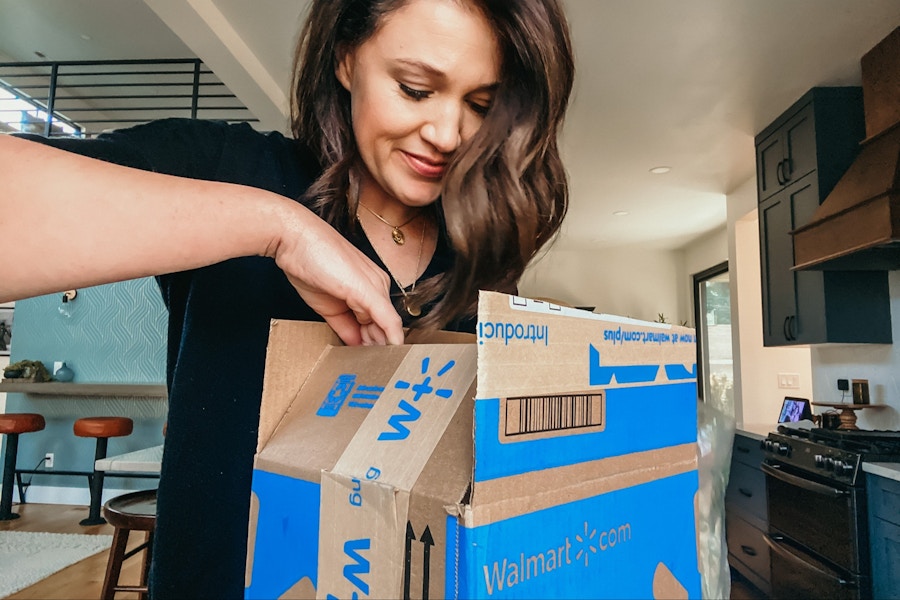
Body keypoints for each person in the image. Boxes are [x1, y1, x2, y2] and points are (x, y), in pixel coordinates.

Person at [0, 0, 575, 597]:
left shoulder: (475, 255)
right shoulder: (230, 169)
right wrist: (278, 228)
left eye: (481, 105)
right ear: (347, 57)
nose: (448, 134)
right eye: (414, 88)